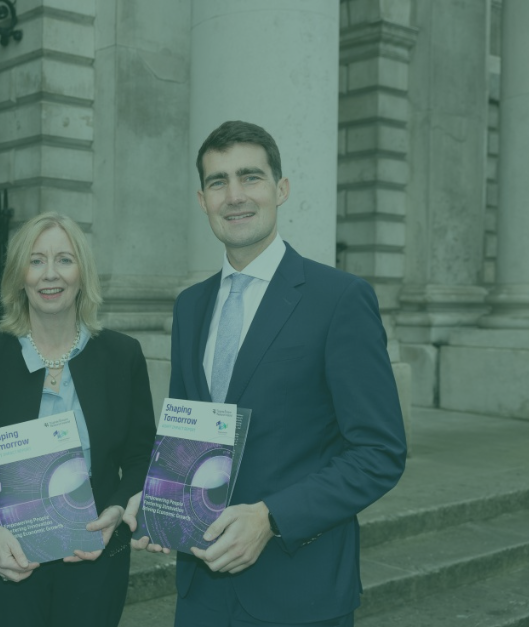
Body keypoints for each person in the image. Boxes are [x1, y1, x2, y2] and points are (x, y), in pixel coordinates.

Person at [126, 121, 407, 626]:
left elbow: (379, 452)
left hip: (298, 590)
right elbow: (188, 439)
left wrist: (272, 517)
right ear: (201, 198)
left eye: (250, 177)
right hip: (201, 594)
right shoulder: (190, 306)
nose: (234, 196)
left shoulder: (339, 299)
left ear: (280, 189)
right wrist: (159, 502)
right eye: (218, 182)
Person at [0, 212, 157, 627]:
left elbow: (141, 457)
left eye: (64, 259)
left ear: (82, 273)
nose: (51, 275)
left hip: (95, 561)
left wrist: (118, 510)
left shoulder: (122, 356)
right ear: (19, 275)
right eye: (36, 260)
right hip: (9, 564)